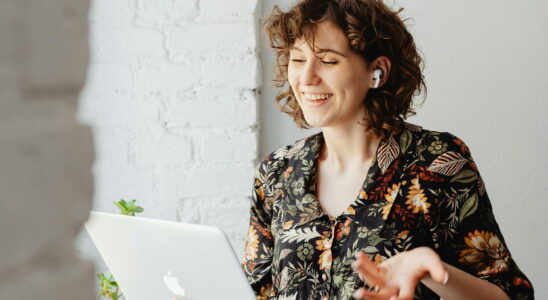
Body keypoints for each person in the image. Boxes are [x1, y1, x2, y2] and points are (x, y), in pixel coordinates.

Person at [241, 0, 534, 299]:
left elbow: (511, 295)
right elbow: (255, 291)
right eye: (297, 59)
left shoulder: (436, 161)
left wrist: (432, 272)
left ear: (376, 71)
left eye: (328, 61)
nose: (306, 79)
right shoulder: (275, 172)